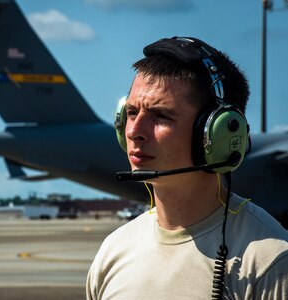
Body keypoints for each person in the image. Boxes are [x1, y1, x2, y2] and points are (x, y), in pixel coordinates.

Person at [86, 37, 288, 299]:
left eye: (161, 115)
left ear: (216, 135)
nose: (134, 131)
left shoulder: (270, 260)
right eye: (132, 113)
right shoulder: (112, 252)